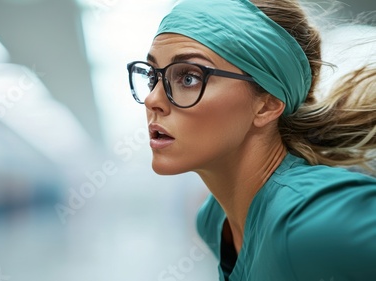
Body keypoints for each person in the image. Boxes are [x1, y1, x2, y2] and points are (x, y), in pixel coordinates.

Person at [126, 0, 376, 280]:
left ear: (267, 105)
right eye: (152, 77)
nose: (152, 99)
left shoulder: (310, 219)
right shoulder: (214, 220)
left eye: (188, 78)